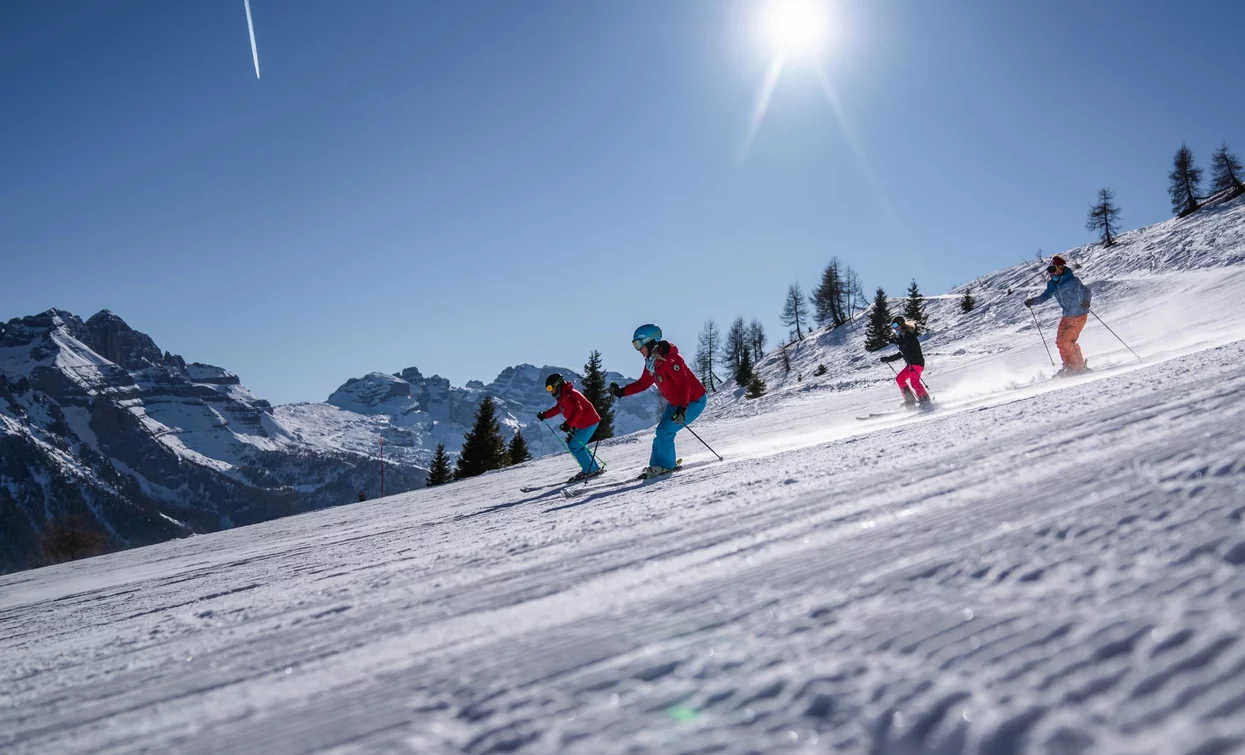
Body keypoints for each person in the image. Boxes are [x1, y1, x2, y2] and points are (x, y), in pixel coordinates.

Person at [609, 324, 707, 478]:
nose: (638, 350)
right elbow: (643, 383)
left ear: (649, 342)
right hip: (676, 403)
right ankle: (656, 465)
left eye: (639, 344)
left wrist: (682, 409)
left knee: (665, 431)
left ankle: (666, 466)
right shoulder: (652, 362)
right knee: (660, 431)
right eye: (635, 345)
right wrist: (622, 391)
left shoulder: (672, 359)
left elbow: (684, 384)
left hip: (693, 401)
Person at [1025, 255, 1092, 376]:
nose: (1051, 273)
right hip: (1067, 316)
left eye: (1052, 269)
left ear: (1061, 267)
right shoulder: (1052, 285)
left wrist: (1086, 301)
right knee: (1060, 342)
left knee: (1067, 341)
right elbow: (1045, 296)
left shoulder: (1073, 281)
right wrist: (1033, 301)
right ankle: (1069, 366)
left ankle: (1078, 368)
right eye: (1049, 270)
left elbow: (1086, 291)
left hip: (1079, 315)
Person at [537, 373, 603, 483]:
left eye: (550, 388)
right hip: (583, 424)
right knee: (578, 446)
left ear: (557, 385)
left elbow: (579, 410)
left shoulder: (571, 394)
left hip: (589, 422)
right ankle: (593, 468)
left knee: (574, 446)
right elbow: (558, 408)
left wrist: (568, 424)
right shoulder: (563, 396)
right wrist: (545, 415)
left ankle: (590, 470)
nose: (550, 391)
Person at [880, 315, 932, 411]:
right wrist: (888, 358)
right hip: (910, 364)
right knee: (900, 379)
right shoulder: (902, 336)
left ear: (900, 324)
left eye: (895, 325)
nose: (894, 327)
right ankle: (910, 401)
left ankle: (925, 401)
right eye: (892, 326)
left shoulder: (908, 335)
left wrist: (897, 341)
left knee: (914, 382)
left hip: (916, 362)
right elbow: (902, 353)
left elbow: (907, 347)